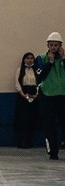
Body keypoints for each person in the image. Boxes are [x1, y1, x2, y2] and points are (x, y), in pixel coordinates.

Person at [35, 32, 65, 160]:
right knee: (49, 124)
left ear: (60, 46)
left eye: (56, 45)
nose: (53, 48)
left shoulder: (63, 59)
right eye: (51, 45)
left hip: (62, 94)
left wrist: (63, 59)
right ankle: (53, 151)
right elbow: (40, 75)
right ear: (47, 45)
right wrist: (50, 63)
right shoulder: (41, 58)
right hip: (47, 95)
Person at [14, 51, 39, 149]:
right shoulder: (19, 70)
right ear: (24, 59)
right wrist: (23, 94)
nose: (29, 60)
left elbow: (40, 82)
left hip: (34, 95)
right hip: (23, 96)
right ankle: (21, 141)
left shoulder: (37, 70)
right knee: (22, 119)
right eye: (27, 58)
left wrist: (36, 94)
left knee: (32, 119)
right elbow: (17, 83)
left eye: (31, 58)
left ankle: (30, 141)